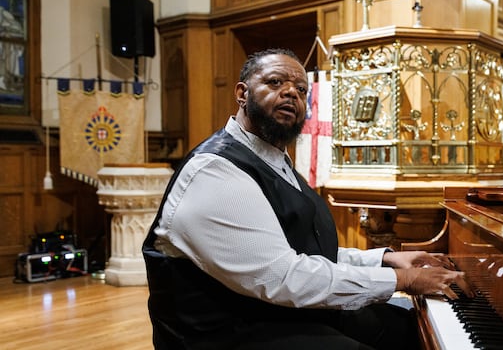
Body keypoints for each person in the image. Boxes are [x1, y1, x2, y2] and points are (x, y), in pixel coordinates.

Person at [142, 48, 473, 349]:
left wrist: (384, 260)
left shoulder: (274, 160)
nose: (291, 93)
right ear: (242, 94)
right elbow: (281, 276)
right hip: (224, 332)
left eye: (301, 90)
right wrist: (403, 279)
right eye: (275, 82)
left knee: (404, 328)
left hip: (276, 310)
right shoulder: (215, 171)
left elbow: (303, 249)